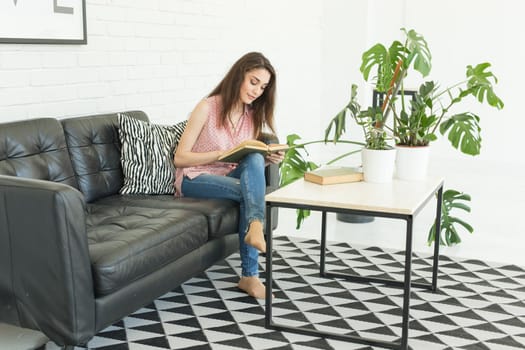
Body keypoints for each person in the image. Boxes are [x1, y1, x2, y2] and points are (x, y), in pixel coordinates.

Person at [174, 52, 283, 299]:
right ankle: (250, 274)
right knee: (252, 194)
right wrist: (219, 154)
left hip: (227, 176)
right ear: (239, 76)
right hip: (194, 178)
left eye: (263, 87)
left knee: (255, 156)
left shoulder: (251, 115)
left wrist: (267, 159)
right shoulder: (207, 107)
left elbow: (244, 162)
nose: (257, 91)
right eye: (253, 82)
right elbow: (180, 158)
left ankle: (254, 228)